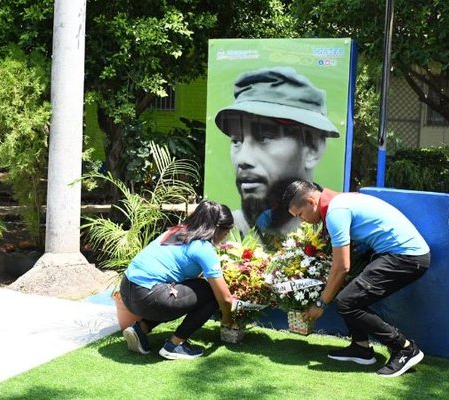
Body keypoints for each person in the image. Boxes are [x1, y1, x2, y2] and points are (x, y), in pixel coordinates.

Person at [280, 180, 431, 377]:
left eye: (300, 215)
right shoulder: (338, 202)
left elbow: (342, 266)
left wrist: (321, 303)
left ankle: (405, 348)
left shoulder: (335, 211)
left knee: (346, 301)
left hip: (407, 258)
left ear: (311, 202)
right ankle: (361, 348)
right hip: (398, 255)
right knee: (348, 296)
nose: (302, 220)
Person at [214, 66, 340, 236]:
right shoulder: (227, 233)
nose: (243, 159)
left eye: (264, 138)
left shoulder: (335, 224)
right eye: (236, 140)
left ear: (312, 147)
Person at [119, 201, 236, 360]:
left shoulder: (176, 231)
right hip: (149, 298)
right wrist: (228, 320)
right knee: (211, 294)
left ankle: (141, 328)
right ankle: (175, 345)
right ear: (217, 229)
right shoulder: (203, 248)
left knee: (186, 290)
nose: (226, 236)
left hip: (126, 290)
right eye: (227, 231)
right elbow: (226, 299)